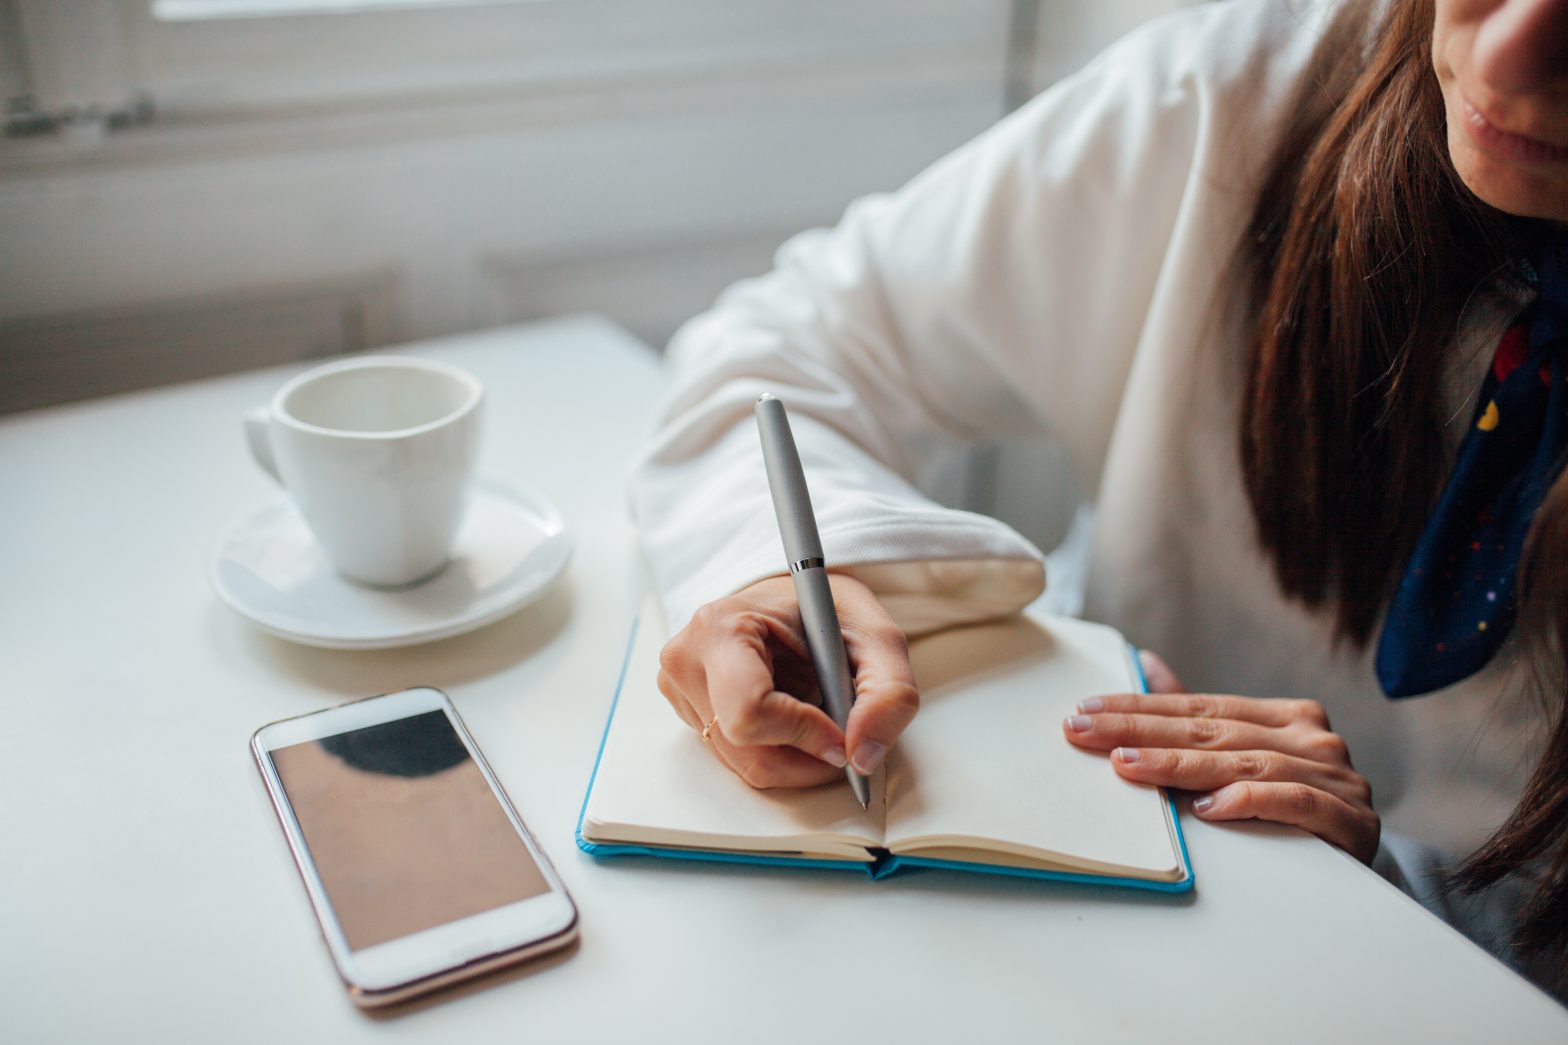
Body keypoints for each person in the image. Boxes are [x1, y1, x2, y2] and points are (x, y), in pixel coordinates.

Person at [631, 0, 1568, 998]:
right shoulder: (1230, 97)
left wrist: (1373, 892)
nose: (1510, 49)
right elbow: (792, 344)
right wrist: (775, 568)